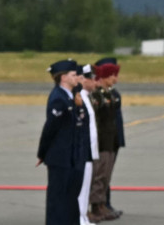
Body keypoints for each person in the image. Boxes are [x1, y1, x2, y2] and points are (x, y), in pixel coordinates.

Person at [38, 59, 81, 225]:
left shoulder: (69, 97)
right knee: (57, 201)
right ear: (63, 77)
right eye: (73, 74)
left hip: (69, 157)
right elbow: (50, 129)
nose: (76, 77)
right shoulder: (58, 98)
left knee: (69, 200)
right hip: (59, 157)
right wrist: (42, 153)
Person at [89, 64, 120, 222]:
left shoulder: (109, 95)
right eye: (113, 75)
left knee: (105, 175)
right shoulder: (96, 96)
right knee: (98, 175)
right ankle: (95, 206)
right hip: (100, 142)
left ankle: (101, 204)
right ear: (105, 76)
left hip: (109, 141)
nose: (116, 78)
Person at [76, 65, 100, 225]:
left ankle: (83, 217)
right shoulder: (79, 98)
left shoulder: (85, 97)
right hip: (83, 150)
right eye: (91, 78)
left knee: (85, 188)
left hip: (89, 150)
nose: (94, 82)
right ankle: (79, 218)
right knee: (80, 188)